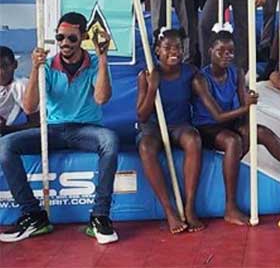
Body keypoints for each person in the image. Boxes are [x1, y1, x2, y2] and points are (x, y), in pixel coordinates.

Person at [0, 13, 119, 244]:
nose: (65, 43)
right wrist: (35, 68)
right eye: (60, 37)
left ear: (83, 37)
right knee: (5, 146)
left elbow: (101, 98)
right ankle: (33, 215)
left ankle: (100, 216)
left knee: (109, 140)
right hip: (52, 130)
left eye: (72, 38)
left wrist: (103, 58)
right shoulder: (47, 65)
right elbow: (29, 106)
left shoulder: (95, 63)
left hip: (86, 129)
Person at [193, 30, 280, 225]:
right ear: (210, 51)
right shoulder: (201, 79)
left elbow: (244, 106)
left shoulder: (236, 73)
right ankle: (230, 207)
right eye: (220, 51)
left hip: (230, 121)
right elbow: (217, 115)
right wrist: (245, 107)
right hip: (208, 126)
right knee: (232, 141)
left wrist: (247, 126)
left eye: (230, 52)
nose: (226, 56)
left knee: (262, 132)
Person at [135, 28, 204, 233]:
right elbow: (142, 115)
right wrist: (152, 88)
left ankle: (189, 206)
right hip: (153, 127)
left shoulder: (190, 72)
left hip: (180, 125)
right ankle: (169, 210)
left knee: (193, 139)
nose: (174, 52)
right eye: (167, 48)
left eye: (178, 47)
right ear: (157, 50)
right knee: (146, 147)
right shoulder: (146, 75)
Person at [0, 46, 38, 135]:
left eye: (4, 66)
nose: (1, 72)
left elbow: (36, 123)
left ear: (15, 65)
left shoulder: (21, 86)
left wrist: (6, 129)